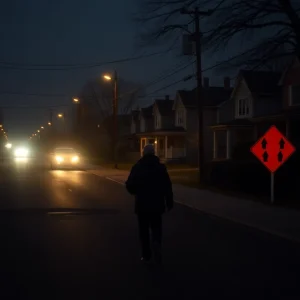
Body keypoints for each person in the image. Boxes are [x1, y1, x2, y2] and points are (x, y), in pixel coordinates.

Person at [125, 144, 173, 264]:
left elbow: (129, 184)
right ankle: (156, 242)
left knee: (144, 230)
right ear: (154, 153)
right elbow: (167, 186)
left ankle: (146, 254)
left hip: (142, 204)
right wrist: (169, 201)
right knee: (157, 227)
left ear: (143, 153)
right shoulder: (161, 168)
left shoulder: (137, 167)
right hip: (157, 203)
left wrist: (135, 192)